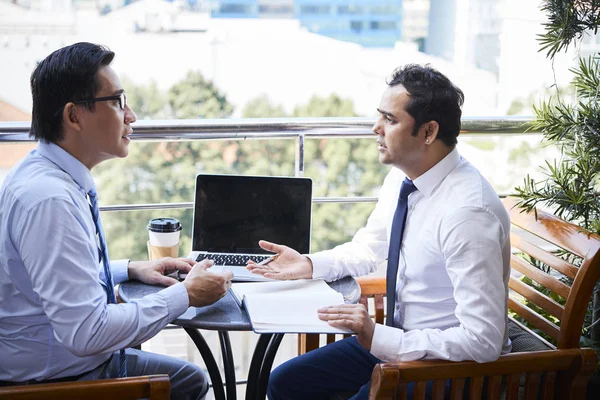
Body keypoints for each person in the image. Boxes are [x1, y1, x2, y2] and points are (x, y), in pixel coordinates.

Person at [247, 64, 512, 399]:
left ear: (428, 132)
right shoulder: (405, 178)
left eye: (390, 119)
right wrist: (310, 264)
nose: (376, 128)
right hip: (403, 343)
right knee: (285, 382)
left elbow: (484, 340)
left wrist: (381, 337)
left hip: (451, 367)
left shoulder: (467, 213)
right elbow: (370, 249)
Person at [0, 42, 233, 400]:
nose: (131, 115)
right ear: (74, 116)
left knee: (183, 374)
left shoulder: (43, 174)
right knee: (192, 382)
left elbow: (49, 276)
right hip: (54, 385)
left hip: (52, 366)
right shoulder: (50, 201)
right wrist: (185, 295)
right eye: (118, 101)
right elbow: (86, 333)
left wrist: (127, 269)